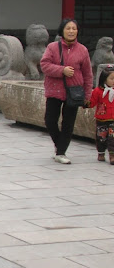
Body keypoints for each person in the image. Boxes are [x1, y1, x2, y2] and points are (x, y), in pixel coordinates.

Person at [40, 18, 93, 164]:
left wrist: (88, 95)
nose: (71, 31)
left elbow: (88, 74)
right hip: (55, 90)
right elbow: (44, 65)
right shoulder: (52, 47)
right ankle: (60, 147)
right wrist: (62, 70)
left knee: (68, 123)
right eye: (68, 28)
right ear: (62, 30)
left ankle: (61, 152)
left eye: (74, 29)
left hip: (74, 91)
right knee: (50, 120)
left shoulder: (82, 50)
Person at [88, 65, 114, 163]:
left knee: (113, 138)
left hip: (113, 119)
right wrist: (85, 103)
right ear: (104, 79)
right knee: (101, 137)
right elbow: (92, 102)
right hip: (102, 119)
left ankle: (112, 155)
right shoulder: (98, 91)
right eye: (111, 79)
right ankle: (101, 153)